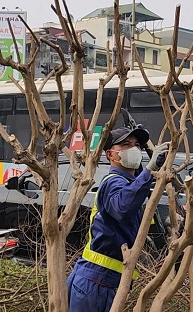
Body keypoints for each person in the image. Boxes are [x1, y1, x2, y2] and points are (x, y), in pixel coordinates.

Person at [67, 127, 169, 312]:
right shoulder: (113, 182)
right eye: (125, 145)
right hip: (96, 282)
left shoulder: (132, 184)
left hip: (101, 281)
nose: (133, 149)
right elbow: (123, 206)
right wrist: (149, 170)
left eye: (137, 145)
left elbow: (136, 221)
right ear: (110, 154)